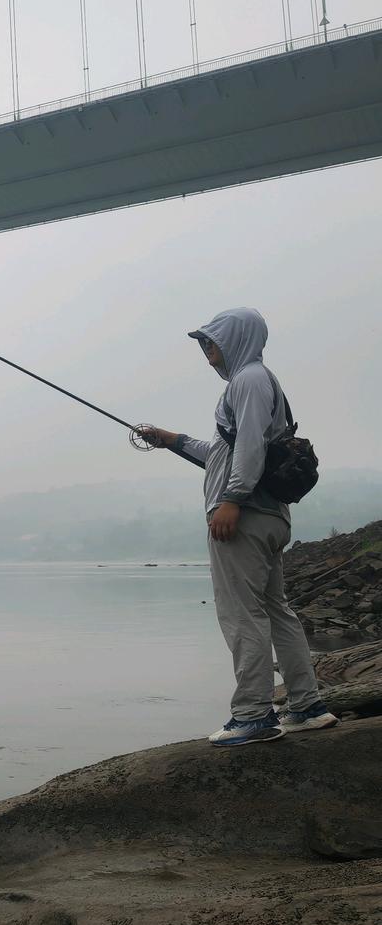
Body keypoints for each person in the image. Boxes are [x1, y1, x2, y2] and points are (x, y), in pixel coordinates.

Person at [143, 308, 337, 747]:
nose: (208, 355)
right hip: (268, 516)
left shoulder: (247, 380)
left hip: (243, 517)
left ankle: (253, 715)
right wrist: (172, 440)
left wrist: (230, 500)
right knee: (276, 610)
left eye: (211, 344)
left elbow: (247, 446)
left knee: (241, 613)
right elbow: (224, 451)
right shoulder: (259, 381)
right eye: (204, 346)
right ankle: (306, 707)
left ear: (235, 341)